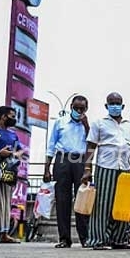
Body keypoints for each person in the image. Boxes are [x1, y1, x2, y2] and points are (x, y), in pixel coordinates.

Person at [81, 92, 130, 250]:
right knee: (102, 204)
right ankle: (98, 239)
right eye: (112, 103)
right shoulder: (99, 123)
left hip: (124, 167)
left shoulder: (128, 125)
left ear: (123, 106)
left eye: (118, 103)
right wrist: (87, 168)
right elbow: (91, 147)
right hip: (105, 167)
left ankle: (119, 239)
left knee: (122, 204)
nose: (115, 106)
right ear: (106, 106)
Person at [44, 95, 90, 249]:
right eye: (76, 108)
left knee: (82, 199)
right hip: (62, 159)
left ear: (86, 109)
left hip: (80, 161)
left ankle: (85, 238)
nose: (78, 111)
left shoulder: (88, 125)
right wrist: (47, 169)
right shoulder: (60, 122)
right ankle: (64, 238)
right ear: (71, 106)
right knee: (62, 199)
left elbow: (93, 144)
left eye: (82, 108)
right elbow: (51, 146)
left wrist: (87, 126)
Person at [0, 106, 23, 246]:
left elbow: (20, 151)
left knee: (5, 203)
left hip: (8, 172)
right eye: (12, 116)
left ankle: (4, 234)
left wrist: (14, 155)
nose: (14, 119)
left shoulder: (13, 135)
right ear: (3, 116)